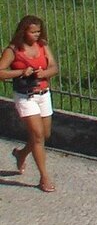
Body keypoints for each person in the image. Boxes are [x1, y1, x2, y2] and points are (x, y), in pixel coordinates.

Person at [1, 14, 57, 192]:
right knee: (38, 136)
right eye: (33, 32)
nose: (36, 35)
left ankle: (21, 153)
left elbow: (55, 67)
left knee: (45, 134)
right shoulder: (13, 50)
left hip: (43, 93)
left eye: (39, 31)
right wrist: (20, 72)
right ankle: (44, 177)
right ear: (24, 31)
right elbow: (1, 72)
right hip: (26, 96)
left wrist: (45, 73)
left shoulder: (43, 45)